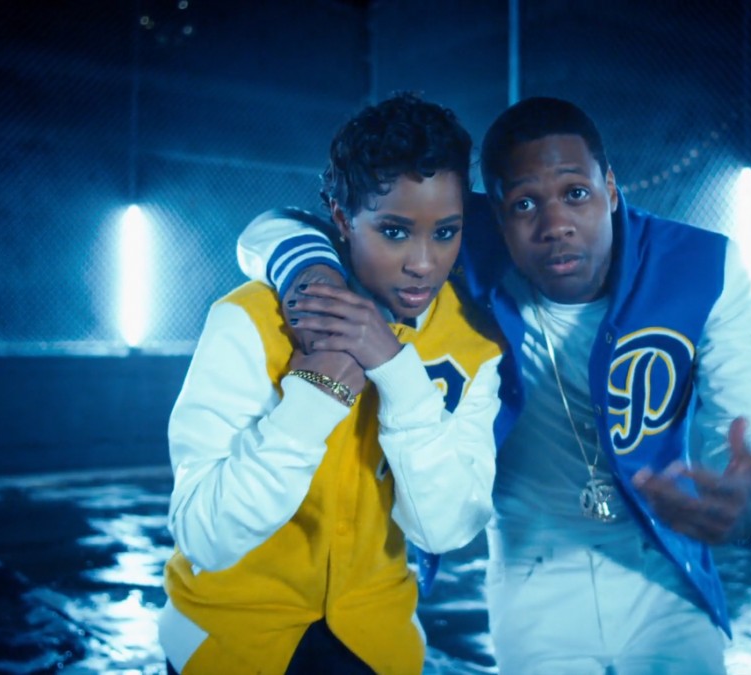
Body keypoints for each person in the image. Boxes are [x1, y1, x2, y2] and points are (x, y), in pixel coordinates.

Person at [237, 97, 751, 674]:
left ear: (610, 187)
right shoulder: (458, 242)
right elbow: (271, 226)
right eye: (525, 203)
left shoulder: (702, 267)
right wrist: (313, 275)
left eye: (576, 193)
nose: (555, 225)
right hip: (531, 570)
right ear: (495, 216)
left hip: (662, 565)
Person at [159, 93, 505, 674]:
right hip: (229, 642)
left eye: (446, 232)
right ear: (342, 221)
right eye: (394, 232)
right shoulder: (250, 319)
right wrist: (314, 397)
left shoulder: (475, 343)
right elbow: (205, 537)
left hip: (376, 645)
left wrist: (399, 375)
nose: (423, 262)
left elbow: (444, 530)